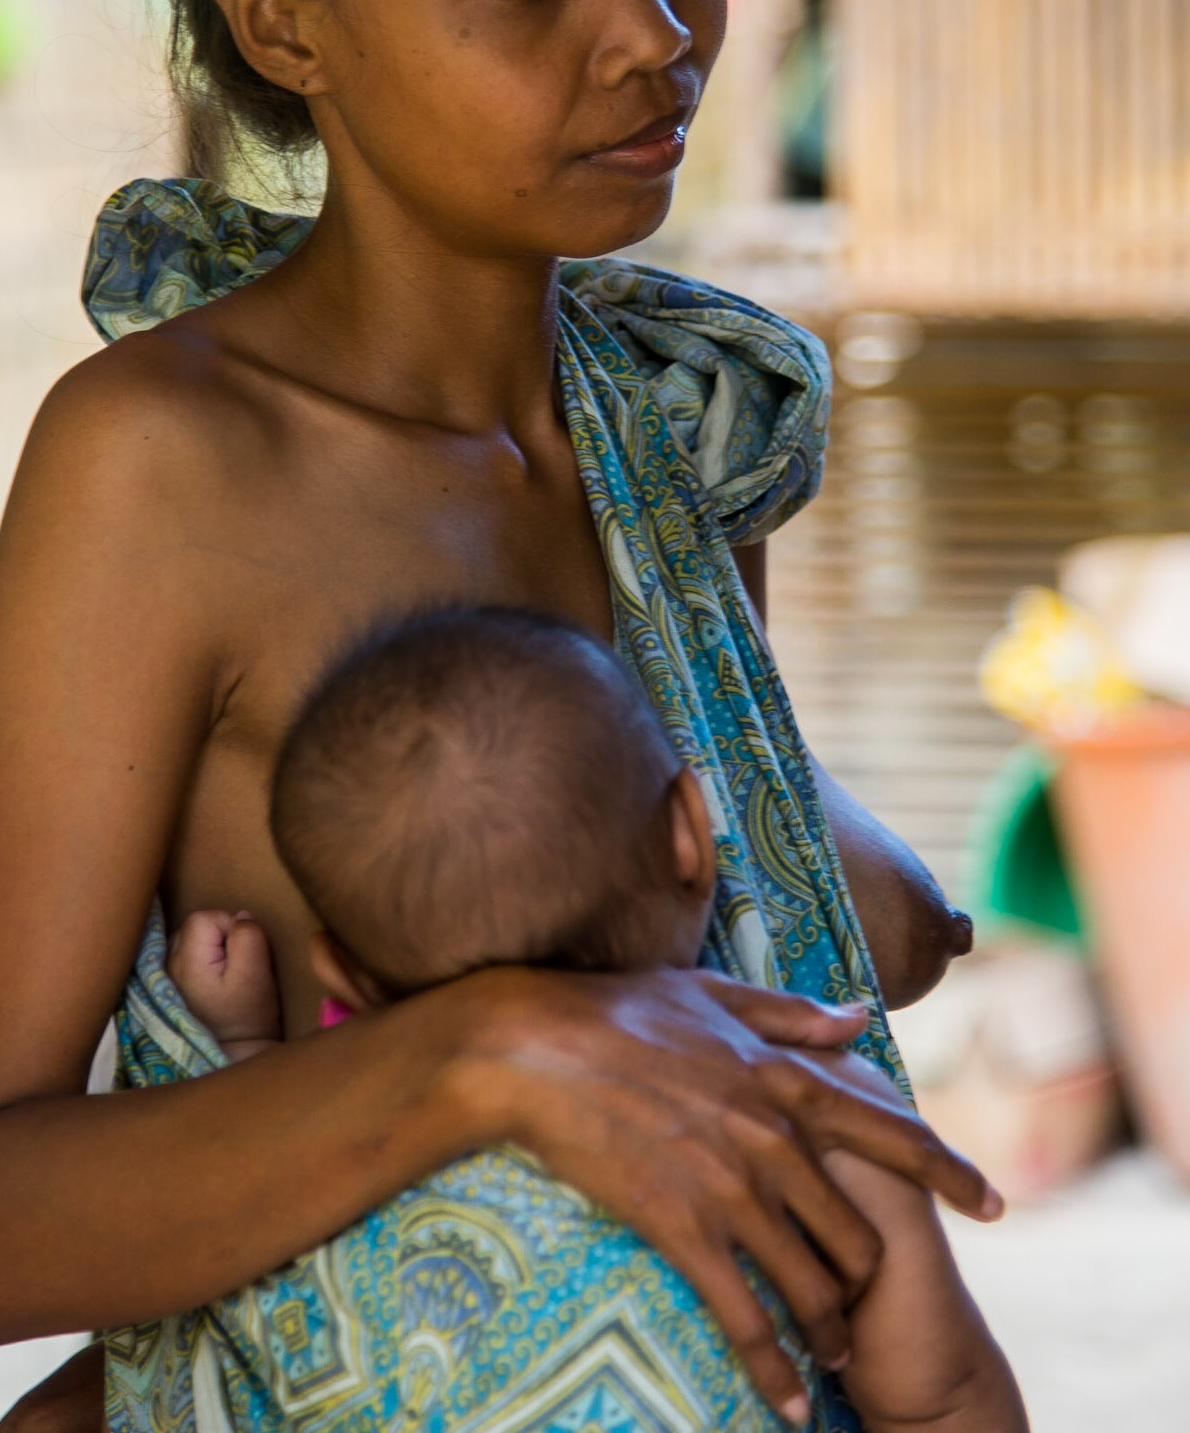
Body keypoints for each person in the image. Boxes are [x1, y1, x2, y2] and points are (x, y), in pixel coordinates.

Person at [0, 0, 993, 1433]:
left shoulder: (664, 421)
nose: (651, 25)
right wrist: (482, 1051)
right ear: (280, 20)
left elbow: (741, 876)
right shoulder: (167, 468)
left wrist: (837, 898)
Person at [169, 605, 1026, 1433]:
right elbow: (939, 1399)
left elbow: (250, 1257)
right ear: (693, 833)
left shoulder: (343, 1126)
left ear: (344, 975)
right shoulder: (805, 1103)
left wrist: (241, 1043)